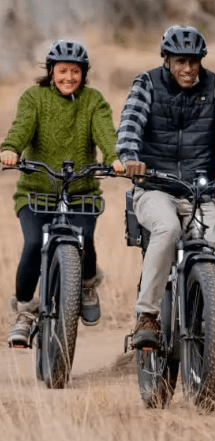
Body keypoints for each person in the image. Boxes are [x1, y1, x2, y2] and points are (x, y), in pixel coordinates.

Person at [115, 25, 215, 349]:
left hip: (199, 192)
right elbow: (130, 122)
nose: (187, 69)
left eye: (194, 61)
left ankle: (205, 330)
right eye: (180, 61)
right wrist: (130, 156)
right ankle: (147, 316)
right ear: (167, 59)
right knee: (167, 229)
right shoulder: (147, 84)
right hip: (155, 187)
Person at [0, 40, 124, 347]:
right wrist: (11, 149)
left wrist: (114, 158)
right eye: (63, 70)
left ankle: (85, 284)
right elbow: (22, 126)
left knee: (86, 240)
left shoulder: (93, 100)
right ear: (51, 71)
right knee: (32, 244)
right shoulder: (34, 97)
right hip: (36, 192)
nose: (69, 77)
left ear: (84, 73)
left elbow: (105, 132)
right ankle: (26, 312)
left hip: (81, 192)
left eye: (75, 71)